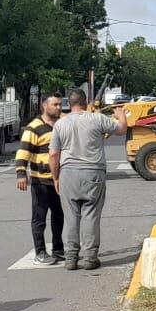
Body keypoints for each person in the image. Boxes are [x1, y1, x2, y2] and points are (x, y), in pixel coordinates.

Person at [48, 91, 127, 271]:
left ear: (70, 104)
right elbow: (121, 129)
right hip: (93, 173)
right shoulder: (97, 119)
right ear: (86, 103)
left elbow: (53, 154)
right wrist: (121, 115)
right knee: (91, 215)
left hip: (68, 174)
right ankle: (90, 257)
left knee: (71, 217)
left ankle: (71, 258)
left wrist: (56, 177)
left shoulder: (60, 124)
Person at [16, 94, 65, 265]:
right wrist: (21, 173)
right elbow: (23, 152)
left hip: (58, 180)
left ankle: (58, 249)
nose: (58, 108)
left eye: (60, 104)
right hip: (40, 181)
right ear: (45, 106)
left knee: (59, 216)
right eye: (55, 105)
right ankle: (40, 252)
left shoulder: (62, 124)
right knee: (39, 218)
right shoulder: (33, 128)